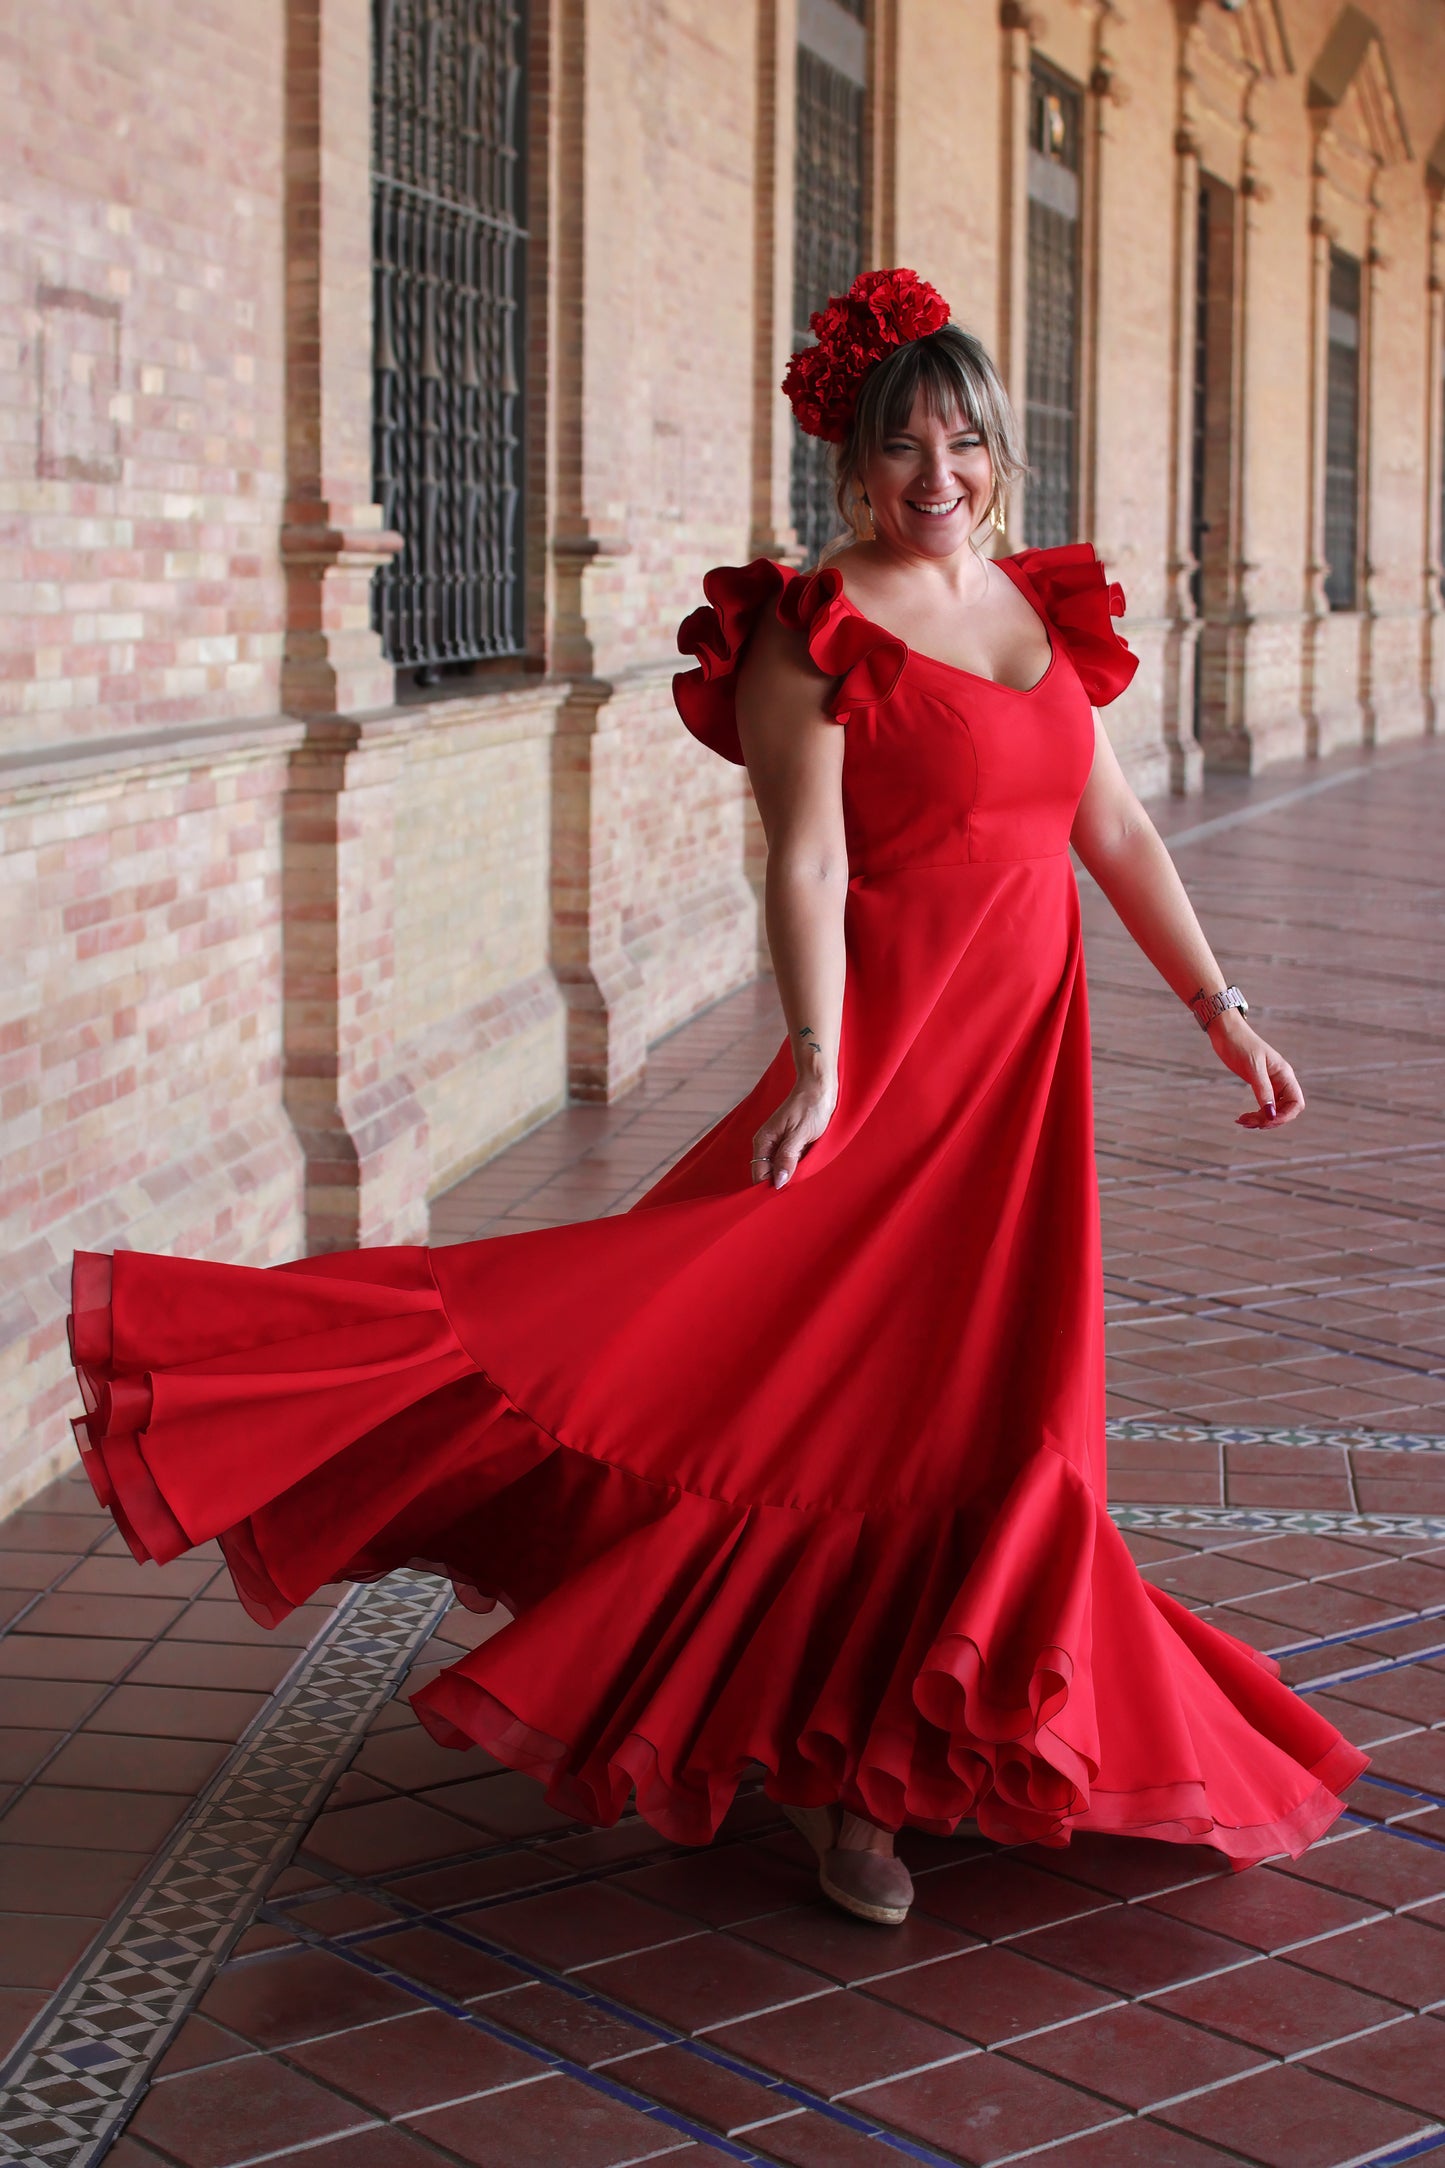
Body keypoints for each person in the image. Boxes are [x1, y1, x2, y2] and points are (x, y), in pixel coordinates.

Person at [69, 269, 1365, 1932]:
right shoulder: (808, 623)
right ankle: (843, 1793)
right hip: (893, 1060)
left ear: (998, 455)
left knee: (1000, 1418)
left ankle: (927, 1739)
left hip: (1023, 1077)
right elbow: (807, 858)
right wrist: (821, 1056)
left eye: (964, 442)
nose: (938, 476)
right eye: (903, 447)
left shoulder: (1037, 614)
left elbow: (1105, 830)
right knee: (796, 1391)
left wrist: (1220, 1011)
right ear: (850, 462)